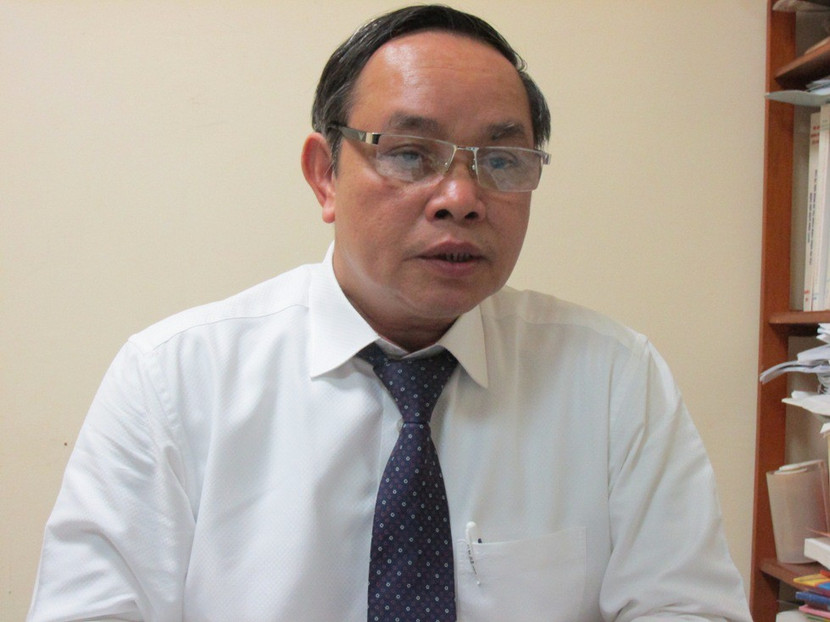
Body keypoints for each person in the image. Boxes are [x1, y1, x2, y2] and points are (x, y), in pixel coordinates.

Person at [27, 5, 752, 622]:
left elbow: (685, 607)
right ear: (325, 176)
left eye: (502, 161)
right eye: (409, 154)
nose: (461, 198)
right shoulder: (172, 382)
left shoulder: (614, 379)